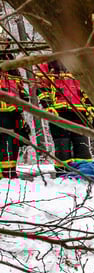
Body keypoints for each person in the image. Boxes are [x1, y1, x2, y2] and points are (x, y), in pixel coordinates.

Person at [38, 61, 92, 176]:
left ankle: (85, 174)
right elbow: (41, 87)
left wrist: (89, 106)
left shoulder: (78, 62)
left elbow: (88, 86)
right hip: (58, 111)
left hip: (79, 110)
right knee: (62, 143)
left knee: (81, 142)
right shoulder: (48, 64)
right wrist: (48, 106)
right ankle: (63, 174)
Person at [0, 51, 29, 179]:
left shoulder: (14, 74)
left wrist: (24, 99)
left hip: (15, 114)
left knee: (14, 143)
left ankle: (11, 171)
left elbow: (22, 92)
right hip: (2, 114)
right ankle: (6, 173)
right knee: (5, 142)